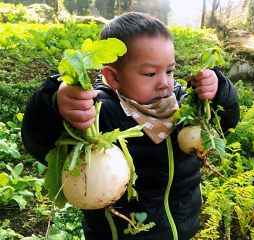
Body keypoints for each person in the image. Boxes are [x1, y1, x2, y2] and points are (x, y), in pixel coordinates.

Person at [22, 12, 240, 240]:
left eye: (170, 70)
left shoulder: (183, 104)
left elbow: (224, 123)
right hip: (116, 233)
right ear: (114, 78)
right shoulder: (96, 112)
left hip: (181, 227)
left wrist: (218, 93)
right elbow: (40, 143)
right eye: (150, 73)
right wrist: (53, 105)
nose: (164, 83)